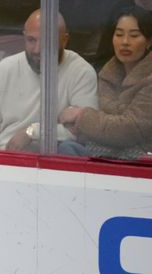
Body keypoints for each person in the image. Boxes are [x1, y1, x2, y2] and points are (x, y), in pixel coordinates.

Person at [0, 9, 98, 152]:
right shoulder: (6, 67)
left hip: (52, 165)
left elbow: (82, 132)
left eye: (47, 41)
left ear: (64, 40)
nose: (37, 49)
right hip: (3, 158)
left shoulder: (81, 72)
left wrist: (32, 132)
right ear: (24, 37)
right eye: (31, 40)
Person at [58, 5, 152, 159]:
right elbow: (107, 125)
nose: (125, 42)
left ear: (148, 41)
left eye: (134, 36)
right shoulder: (107, 74)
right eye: (119, 34)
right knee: (66, 149)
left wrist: (82, 116)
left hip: (139, 158)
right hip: (104, 151)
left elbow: (128, 130)